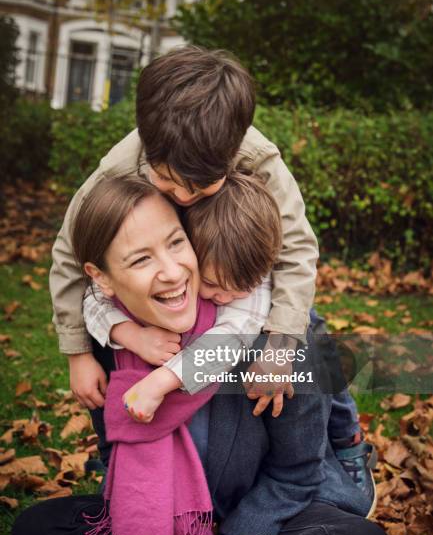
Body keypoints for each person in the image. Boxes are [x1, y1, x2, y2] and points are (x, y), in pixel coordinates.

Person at [13, 175, 392, 535]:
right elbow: (118, 452)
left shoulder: (277, 347)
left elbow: (295, 476)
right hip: (162, 516)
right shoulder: (111, 347)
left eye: (176, 243)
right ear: (102, 278)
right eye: (141, 259)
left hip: (264, 518)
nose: (173, 273)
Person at [49, 45, 370, 500]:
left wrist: (279, 343)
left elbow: (297, 250)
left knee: (303, 328)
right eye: (167, 180)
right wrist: (76, 352)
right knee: (106, 329)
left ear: (231, 151)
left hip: (240, 258)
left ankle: (346, 440)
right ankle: (116, 454)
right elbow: (67, 251)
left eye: (199, 185)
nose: (181, 194)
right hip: (183, 261)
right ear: (147, 138)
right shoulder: (121, 165)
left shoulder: (257, 158)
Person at [84, 171, 376, 506]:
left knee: (308, 333)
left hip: (280, 349)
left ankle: (347, 437)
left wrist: (162, 381)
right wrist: (129, 334)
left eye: (239, 288)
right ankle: (128, 465)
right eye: (214, 285)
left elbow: (227, 341)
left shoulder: (251, 291)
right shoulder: (196, 241)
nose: (224, 297)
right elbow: (91, 300)